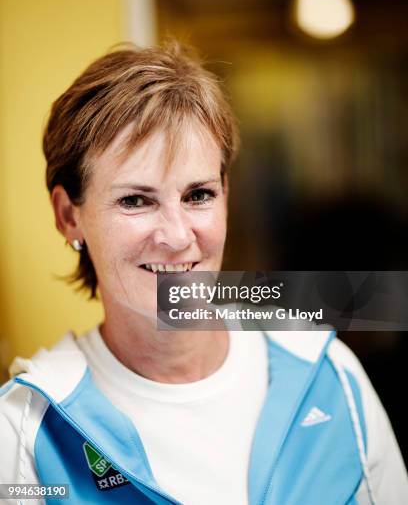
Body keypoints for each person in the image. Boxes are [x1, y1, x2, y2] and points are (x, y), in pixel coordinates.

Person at [0, 43, 407, 505]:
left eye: (198, 195)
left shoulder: (330, 375)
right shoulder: (28, 432)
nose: (176, 236)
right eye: (136, 200)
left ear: (226, 193)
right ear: (68, 216)